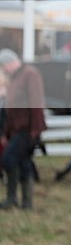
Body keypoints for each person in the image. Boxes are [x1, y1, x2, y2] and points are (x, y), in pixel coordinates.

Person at [0, 49, 46, 210]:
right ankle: (27, 203)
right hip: (16, 129)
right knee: (24, 162)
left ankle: (12, 197)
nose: (3, 70)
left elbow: (36, 103)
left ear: (9, 63)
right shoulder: (16, 78)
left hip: (27, 128)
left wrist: (35, 131)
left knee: (8, 158)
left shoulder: (30, 74)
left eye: (3, 66)